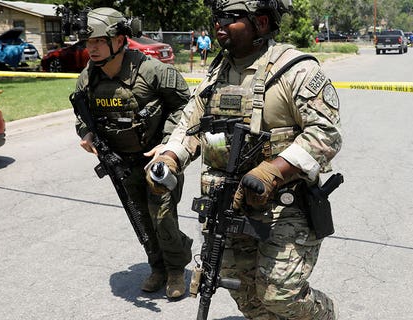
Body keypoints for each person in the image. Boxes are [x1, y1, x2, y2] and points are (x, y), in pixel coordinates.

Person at [147, 0, 342, 318]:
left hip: (287, 207)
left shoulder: (297, 70)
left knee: (280, 296)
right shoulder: (217, 73)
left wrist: (272, 172)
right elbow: (190, 126)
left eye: (229, 17)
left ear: (261, 23)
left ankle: (324, 314)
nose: (218, 23)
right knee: (246, 296)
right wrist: (169, 159)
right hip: (227, 206)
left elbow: (325, 135)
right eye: (216, 17)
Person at [73, 7, 193, 300]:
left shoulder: (153, 71)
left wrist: (167, 144)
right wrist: (86, 133)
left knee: (162, 215)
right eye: (89, 43)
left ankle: (176, 269)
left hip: (158, 159)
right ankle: (158, 266)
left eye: (99, 41)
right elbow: (81, 115)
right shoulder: (88, 79)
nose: (92, 48)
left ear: (119, 39)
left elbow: (185, 108)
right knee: (139, 216)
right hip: (120, 162)